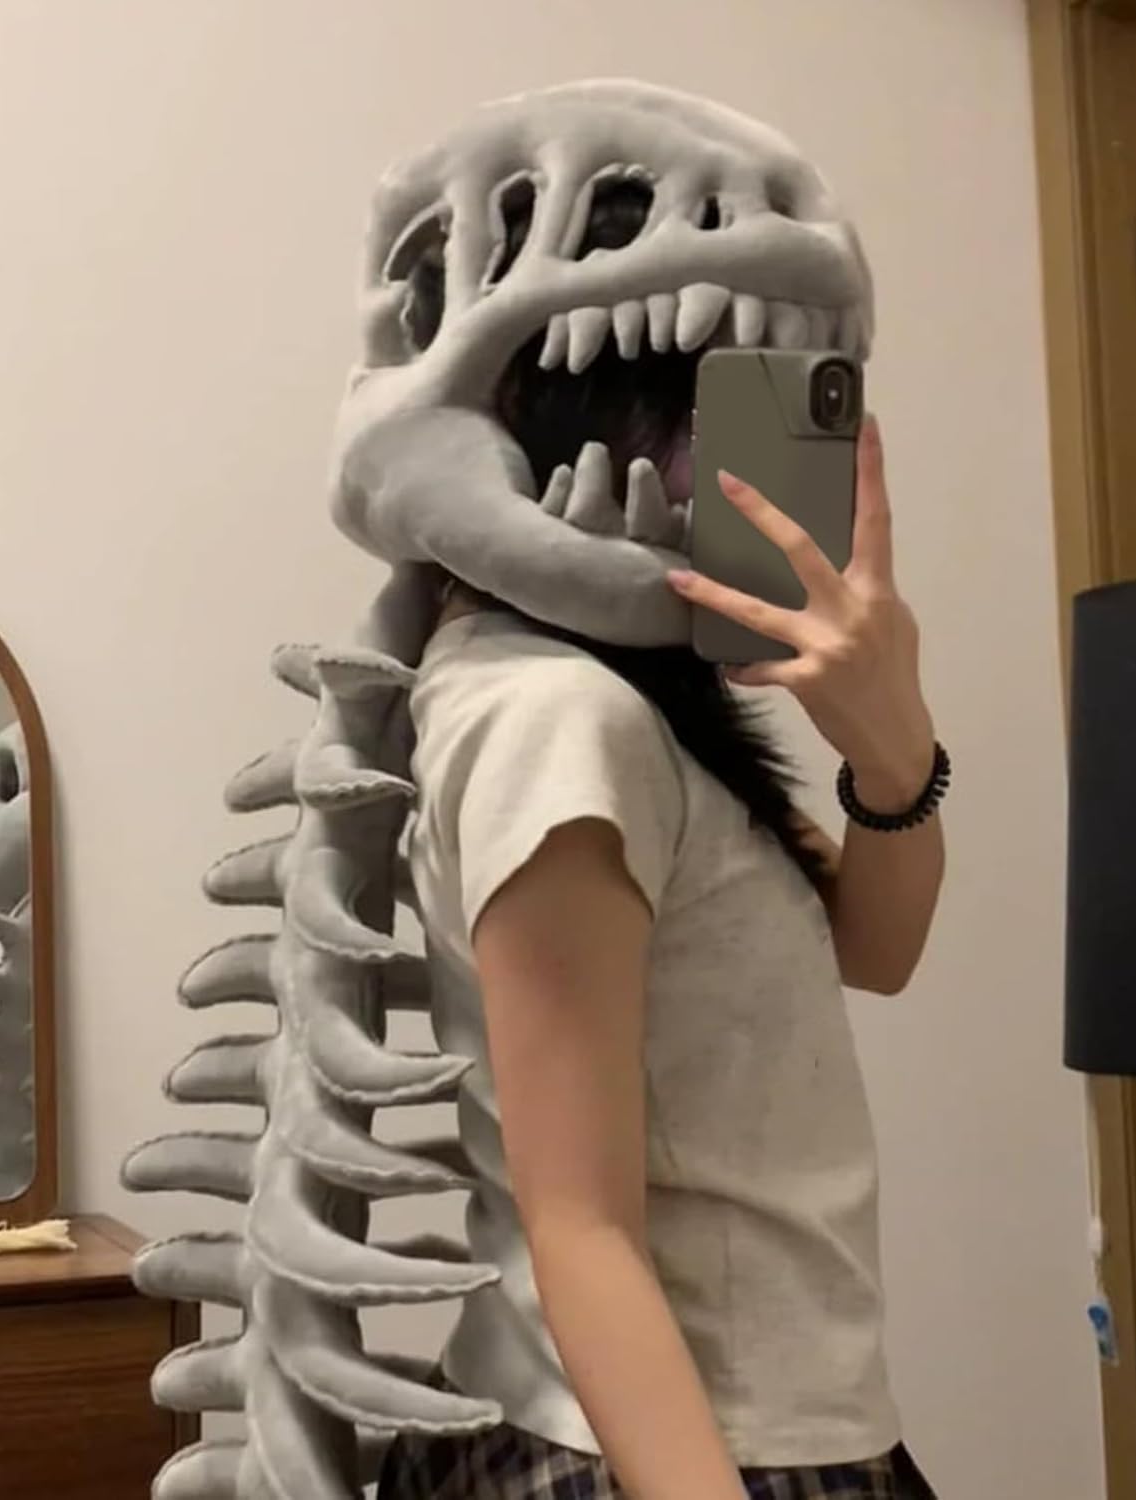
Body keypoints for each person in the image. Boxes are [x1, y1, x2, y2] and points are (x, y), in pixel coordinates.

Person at [376, 315, 946, 1495]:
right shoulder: (561, 717)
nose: (716, 470)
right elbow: (578, 1227)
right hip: (679, 1444)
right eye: (693, 415)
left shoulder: (633, 705)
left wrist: (894, 753)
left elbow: (877, 947)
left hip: (750, 1420)